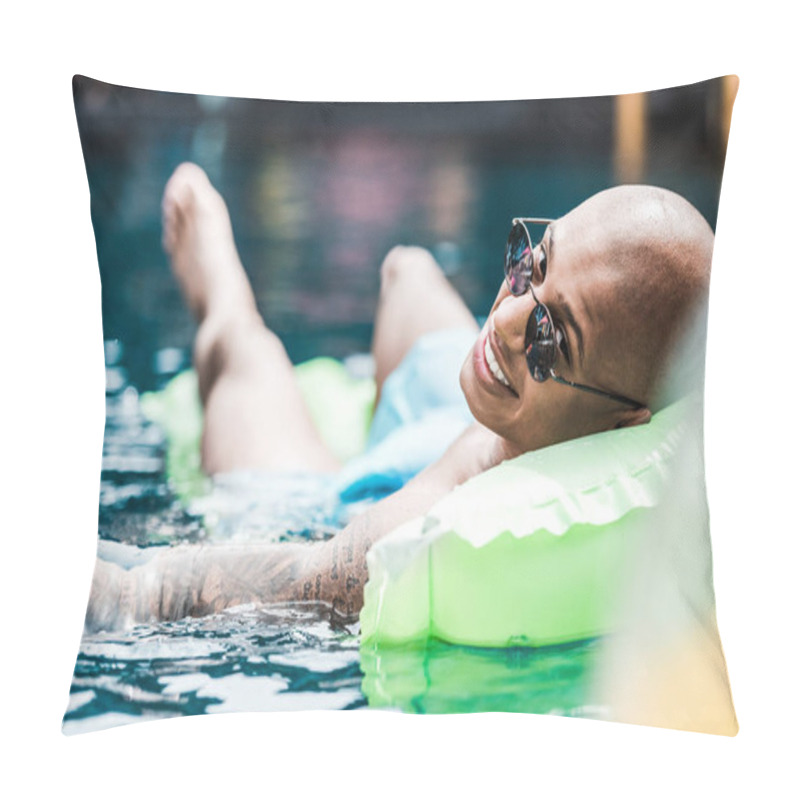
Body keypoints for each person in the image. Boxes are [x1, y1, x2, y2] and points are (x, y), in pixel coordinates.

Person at [85, 163, 713, 632]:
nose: (507, 317)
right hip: (460, 419)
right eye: (533, 261)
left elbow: (172, 595)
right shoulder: (522, 378)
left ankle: (219, 284)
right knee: (408, 268)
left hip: (352, 496)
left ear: (625, 421)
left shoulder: (453, 519)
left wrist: (113, 589)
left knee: (247, 354)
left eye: (551, 338)